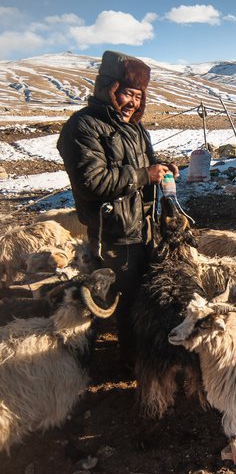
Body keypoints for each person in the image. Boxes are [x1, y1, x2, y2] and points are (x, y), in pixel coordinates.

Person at [57, 50, 178, 366]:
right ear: (107, 88)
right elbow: (91, 182)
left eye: (139, 96)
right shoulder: (83, 127)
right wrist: (143, 175)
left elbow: (146, 166)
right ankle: (131, 360)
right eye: (127, 92)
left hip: (144, 227)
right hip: (114, 234)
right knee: (123, 301)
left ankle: (147, 350)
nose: (134, 102)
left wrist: (161, 169)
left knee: (147, 295)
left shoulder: (135, 129)